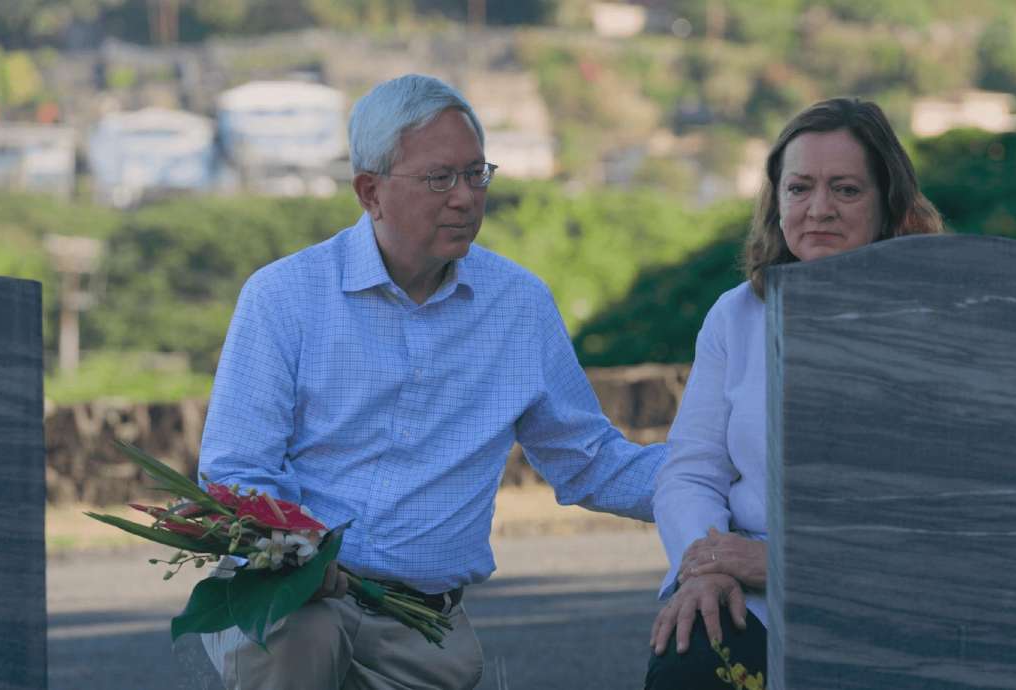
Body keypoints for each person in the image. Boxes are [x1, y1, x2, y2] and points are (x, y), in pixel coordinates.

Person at [197, 73, 666, 690]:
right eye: (439, 178)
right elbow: (236, 473)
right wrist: (309, 556)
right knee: (303, 637)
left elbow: (590, 461)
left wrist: (726, 484)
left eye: (477, 174)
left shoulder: (518, 305)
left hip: (424, 629)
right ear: (370, 191)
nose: (466, 198)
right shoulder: (284, 297)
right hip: (291, 600)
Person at [644, 97, 944, 688]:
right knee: (691, 661)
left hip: (892, 599)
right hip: (750, 593)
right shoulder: (736, 316)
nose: (819, 210)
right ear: (775, 201)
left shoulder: (937, 320)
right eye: (800, 188)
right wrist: (704, 568)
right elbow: (691, 472)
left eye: (847, 190)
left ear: (889, 203)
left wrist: (783, 566)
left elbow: (936, 515)